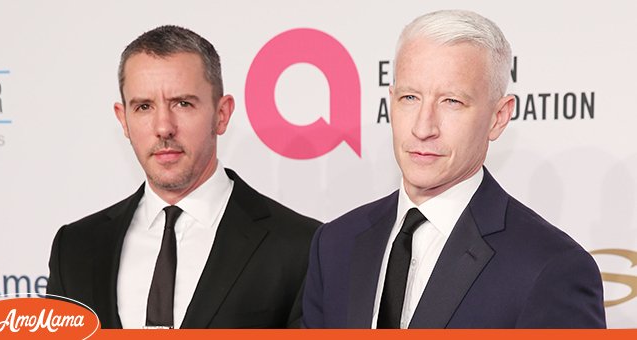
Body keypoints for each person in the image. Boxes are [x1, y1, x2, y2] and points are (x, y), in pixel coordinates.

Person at [302, 10, 606, 328]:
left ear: (498, 117)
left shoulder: (551, 267)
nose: (423, 127)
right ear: (390, 101)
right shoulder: (335, 244)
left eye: (451, 102)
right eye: (409, 97)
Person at [47, 25, 320, 329]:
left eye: (182, 103)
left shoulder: (301, 247)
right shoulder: (74, 249)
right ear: (123, 120)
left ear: (222, 114)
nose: (163, 127)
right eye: (144, 107)